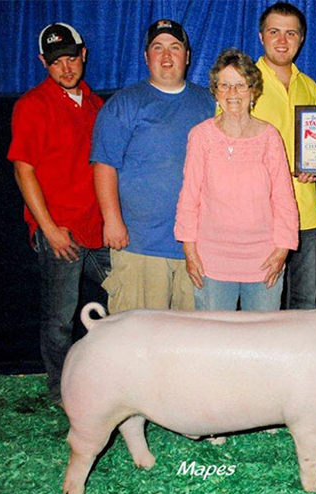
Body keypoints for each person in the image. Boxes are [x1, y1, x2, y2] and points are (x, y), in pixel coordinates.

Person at [7, 22, 110, 405]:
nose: (65, 68)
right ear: (42, 63)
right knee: (60, 319)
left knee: (126, 302)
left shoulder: (97, 105)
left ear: (83, 54)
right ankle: (62, 391)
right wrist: (48, 228)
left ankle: (114, 380)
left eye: (70, 58)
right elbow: (23, 169)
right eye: (55, 62)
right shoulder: (32, 105)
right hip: (60, 230)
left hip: (98, 229)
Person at [91, 19, 213, 313]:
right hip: (140, 245)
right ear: (146, 57)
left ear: (187, 56)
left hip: (197, 246)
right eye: (158, 48)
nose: (167, 55)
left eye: (175, 47)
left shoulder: (209, 103)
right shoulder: (124, 104)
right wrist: (112, 220)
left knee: (194, 335)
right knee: (136, 334)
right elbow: (104, 164)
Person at [174, 48, 299, 311]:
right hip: (211, 260)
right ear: (215, 91)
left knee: (262, 334)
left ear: (253, 91)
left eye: (241, 85)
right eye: (225, 85)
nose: (233, 92)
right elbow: (189, 197)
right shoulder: (201, 136)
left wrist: (282, 250)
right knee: (214, 334)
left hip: (264, 258)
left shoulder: (270, 137)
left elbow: (284, 199)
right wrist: (190, 251)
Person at [252, 2, 316, 310]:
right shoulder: (243, 83)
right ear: (261, 36)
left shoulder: (310, 87)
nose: (282, 41)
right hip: (259, 214)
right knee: (263, 302)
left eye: (291, 33)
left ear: (301, 39)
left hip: (305, 212)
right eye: (274, 32)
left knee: (304, 301)